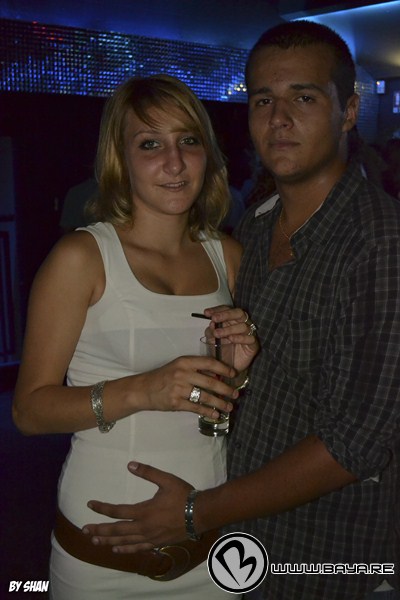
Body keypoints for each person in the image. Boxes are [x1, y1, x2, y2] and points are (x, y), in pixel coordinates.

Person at [79, 22, 400, 600]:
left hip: (328, 554)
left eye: (304, 98)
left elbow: (355, 444)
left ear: (349, 112)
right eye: (262, 100)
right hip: (240, 548)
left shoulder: (380, 242)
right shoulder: (252, 228)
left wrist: (195, 512)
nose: (279, 119)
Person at [12, 74, 258, 599]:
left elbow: (232, 408)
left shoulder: (229, 256)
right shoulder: (82, 257)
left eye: (188, 140)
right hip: (106, 553)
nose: (175, 162)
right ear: (119, 159)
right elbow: (29, 412)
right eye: (150, 144)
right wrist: (143, 389)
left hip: (212, 540)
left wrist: (239, 374)